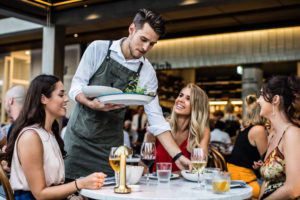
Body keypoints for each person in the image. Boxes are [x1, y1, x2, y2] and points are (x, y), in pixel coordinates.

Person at [63, 8, 189, 180]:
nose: (146, 47)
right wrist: (89, 103)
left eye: (152, 44)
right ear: (131, 30)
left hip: (110, 150)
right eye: (143, 39)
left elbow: (157, 121)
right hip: (78, 142)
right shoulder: (98, 49)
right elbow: (76, 87)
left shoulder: (147, 72)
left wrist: (178, 157)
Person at [6, 75, 106, 200]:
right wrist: (80, 184)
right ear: (43, 98)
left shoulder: (49, 132)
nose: (66, 99)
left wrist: (71, 196)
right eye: (61, 95)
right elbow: (40, 193)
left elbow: (52, 185)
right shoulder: (30, 137)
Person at [257, 75, 300, 199]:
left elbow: (294, 188)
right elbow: (266, 182)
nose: (258, 100)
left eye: (261, 95)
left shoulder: (292, 134)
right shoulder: (272, 136)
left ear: (275, 99)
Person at [152, 83, 210, 173]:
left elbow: (200, 167)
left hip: (184, 186)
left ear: (197, 107)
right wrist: (148, 135)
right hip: (157, 183)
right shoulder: (162, 126)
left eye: (188, 99)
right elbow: (144, 163)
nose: (180, 100)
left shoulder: (202, 131)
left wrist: (173, 176)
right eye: (180, 95)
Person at [227, 94, 268, 198]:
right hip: (244, 182)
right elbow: (267, 161)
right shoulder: (259, 129)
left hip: (233, 177)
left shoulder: (245, 129)